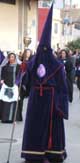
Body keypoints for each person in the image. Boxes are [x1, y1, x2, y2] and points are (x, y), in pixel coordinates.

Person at [21, 3, 69, 163]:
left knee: (48, 128)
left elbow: (62, 87)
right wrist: (22, 76)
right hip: (40, 99)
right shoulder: (33, 63)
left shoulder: (55, 65)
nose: (43, 52)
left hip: (49, 101)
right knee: (37, 127)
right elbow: (25, 80)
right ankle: (34, 153)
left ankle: (52, 153)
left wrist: (61, 105)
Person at [0, 52, 20, 123]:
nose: (11, 58)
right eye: (10, 57)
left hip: (14, 86)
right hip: (6, 86)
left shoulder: (18, 66)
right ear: (8, 58)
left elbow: (19, 75)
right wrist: (2, 80)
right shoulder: (5, 67)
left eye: (12, 57)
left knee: (13, 102)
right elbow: (2, 75)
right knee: (5, 102)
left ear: (15, 58)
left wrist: (17, 83)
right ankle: (4, 118)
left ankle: (12, 119)